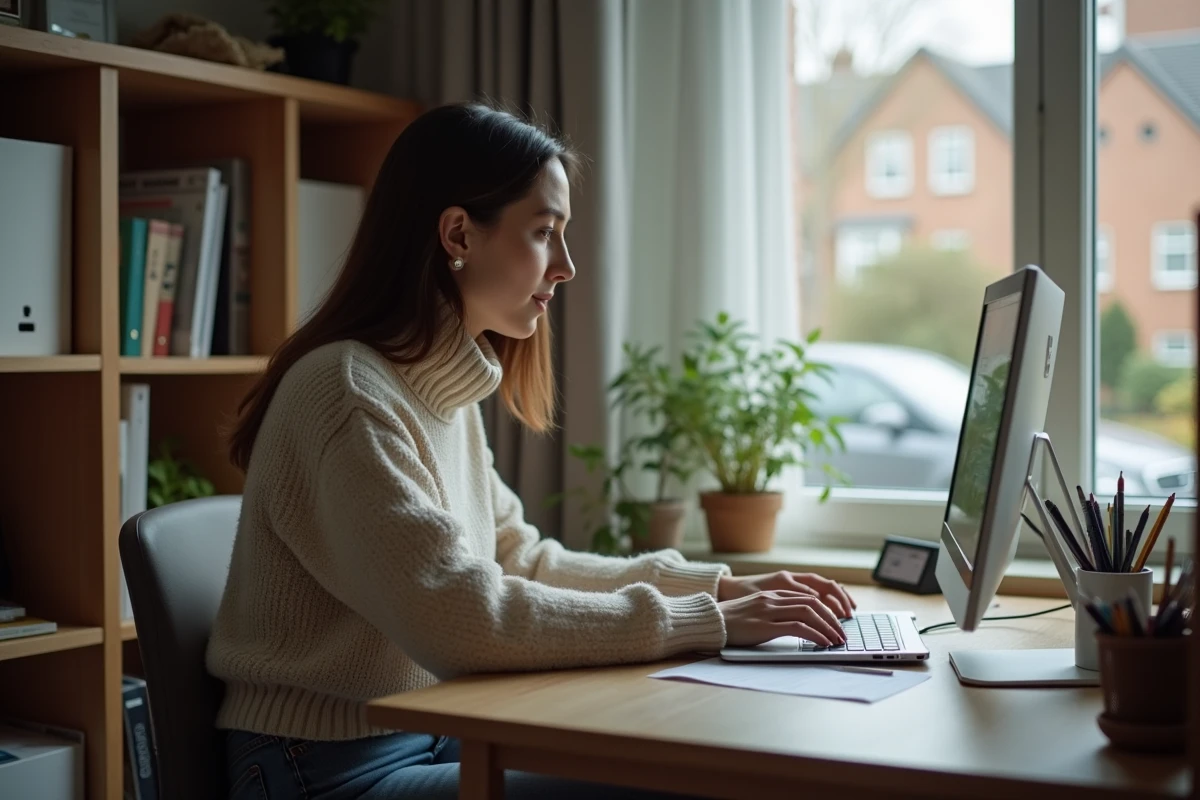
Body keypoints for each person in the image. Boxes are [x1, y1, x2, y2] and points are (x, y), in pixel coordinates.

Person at [208, 102, 856, 800]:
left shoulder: (435, 388)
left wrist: (717, 590)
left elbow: (521, 559)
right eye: (545, 232)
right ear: (458, 233)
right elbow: (464, 617)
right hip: (321, 767)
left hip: (435, 727)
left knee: (692, 751)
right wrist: (705, 624)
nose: (568, 267)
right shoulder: (347, 393)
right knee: (680, 782)